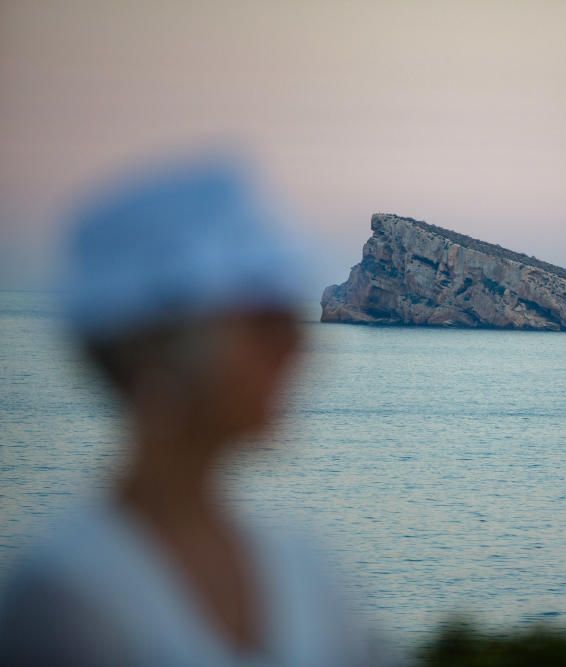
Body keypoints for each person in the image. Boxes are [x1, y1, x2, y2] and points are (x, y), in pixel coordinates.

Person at [0, 157, 376, 665]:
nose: (296, 349)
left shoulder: (305, 571)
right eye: (263, 323)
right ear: (159, 350)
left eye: (291, 321)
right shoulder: (64, 597)